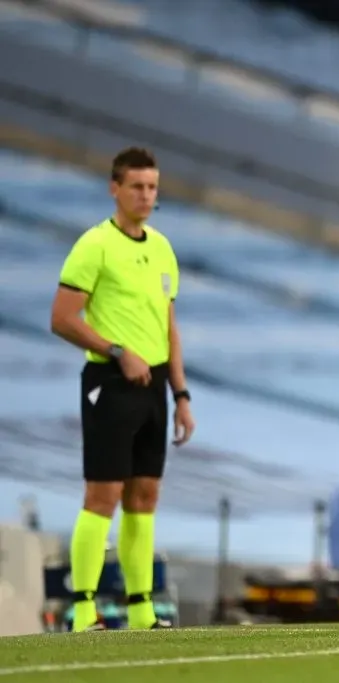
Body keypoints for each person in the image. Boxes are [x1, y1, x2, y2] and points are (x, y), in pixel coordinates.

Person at [49, 147, 196, 631]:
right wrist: (117, 351)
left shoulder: (163, 247)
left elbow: (171, 328)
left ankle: (141, 611)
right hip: (109, 383)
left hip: (154, 386)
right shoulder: (95, 246)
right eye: (136, 186)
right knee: (103, 494)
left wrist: (181, 395)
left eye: (152, 187)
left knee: (145, 495)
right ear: (115, 188)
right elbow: (62, 319)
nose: (146, 195)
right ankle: (83, 609)